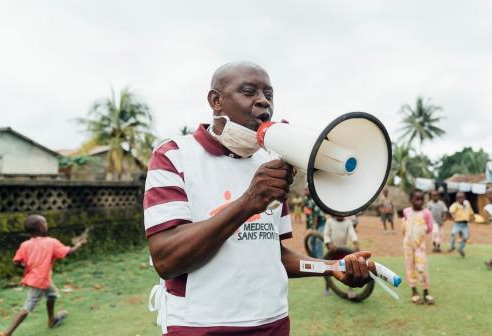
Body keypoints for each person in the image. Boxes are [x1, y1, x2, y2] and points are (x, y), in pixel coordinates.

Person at [144, 62, 375, 335]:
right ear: (216, 101)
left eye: (269, 94)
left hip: (272, 322)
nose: (263, 101)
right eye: (249, 91)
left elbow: (272, 254)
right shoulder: (175, 155)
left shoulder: (271, 161)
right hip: (199, 325)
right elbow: (167, 260)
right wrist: (248, 202)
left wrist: (330, 267)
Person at [0, 215, 86, 336]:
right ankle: (6, 333)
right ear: (41, 227)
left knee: (52, 295)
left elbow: (16, 262)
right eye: (45, 223)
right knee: (27, 307)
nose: (47, 225)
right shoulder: (51, 242)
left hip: (40, 278)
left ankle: (52, 320)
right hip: (39, 281)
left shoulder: (25, 245)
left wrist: (26, 265)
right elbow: (67, 252)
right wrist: (79, 246)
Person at [402, 189, 435, 304]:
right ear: (411, 200)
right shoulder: (406, 211)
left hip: (420, 245)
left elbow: (430, 228)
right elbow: (404, 225)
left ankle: (426, 291)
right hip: (407, 244)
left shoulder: (426, 213)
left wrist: (419, 235)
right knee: (410, 266)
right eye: (417, 199)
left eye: (422, 199)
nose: (419, 202)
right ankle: (414, 290)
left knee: (422, 267)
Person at [323, 215, 360, 298]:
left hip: (343, 250)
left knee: (349, 269)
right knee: (328, 270)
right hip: (332, 250)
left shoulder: (348, 223)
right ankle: (327, 288)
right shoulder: (330, 222)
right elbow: (326, 234)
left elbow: (352, 233)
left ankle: (350, 289)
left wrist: (356, 243)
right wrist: (329, 243)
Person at [448, 192, 474, 257]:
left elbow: (470, 211)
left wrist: (472, 216)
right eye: (458, 198)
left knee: (465, 237)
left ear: (464, 198)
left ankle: (461, 249)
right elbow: (451, 211)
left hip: (465, 224)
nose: (460, 199)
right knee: (453, 234)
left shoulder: (467, 203)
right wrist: (453, 216)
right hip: (457, 224)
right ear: (456, 198)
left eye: (461, 197)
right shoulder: (455, 205)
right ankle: (452, 246)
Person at [303, 187, 327, 258]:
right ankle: (314, 258)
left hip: (320, 223)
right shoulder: (306, 200)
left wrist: (314, 229)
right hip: (312, 224)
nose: (305, 191)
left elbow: (315, 216)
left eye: (307, 189)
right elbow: (308, 216)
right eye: (304, 189)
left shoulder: (314, 199)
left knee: (318, 241)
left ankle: (320, 260)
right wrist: (308, 228)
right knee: (311, 241)